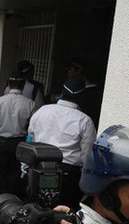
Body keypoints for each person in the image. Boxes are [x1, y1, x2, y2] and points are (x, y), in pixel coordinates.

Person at [28, 76, 96, 210]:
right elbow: (87, 155)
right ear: (81, 97)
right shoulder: (85, 121)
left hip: (40, 166)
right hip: (68, 173)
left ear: (62, 93)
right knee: (64, 210)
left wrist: (25, 166)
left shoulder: (42, 111)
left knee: (39, 206)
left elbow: (30, 139)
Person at [0, 71, 36, 197]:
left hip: (0, 142)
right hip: (19, 143)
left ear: (8, 84)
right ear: (23, 85)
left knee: (0, 173)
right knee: (15, 174)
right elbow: (32, 128)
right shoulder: (30, 104)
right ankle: (13, 199)